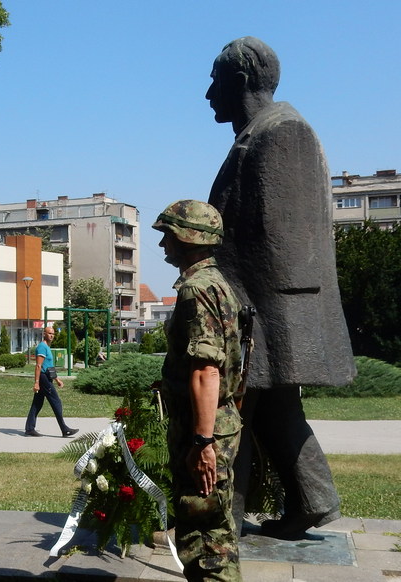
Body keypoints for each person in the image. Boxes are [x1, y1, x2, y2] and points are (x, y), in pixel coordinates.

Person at [205, 37, 355, 539]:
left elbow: (281, 238)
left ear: (241, 81)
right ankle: (313, 500)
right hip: (262, 306)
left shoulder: (281, 132)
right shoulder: (260, 134)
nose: (208, 94)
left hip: (265, 309)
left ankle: (224, 518)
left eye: (215, 80)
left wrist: (222, 286)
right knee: (272, 411)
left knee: (243, 409)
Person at [153, 200, 243, 581]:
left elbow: (208, 370)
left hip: (203, 431)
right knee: (216, 531)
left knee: (206, 543)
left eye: (168, 236)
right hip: (217, 424)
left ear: (187, 237)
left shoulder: (197, 289)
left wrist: (203, 442)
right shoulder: (220, 285)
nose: (163, 246)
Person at [24, 326, 78, 438]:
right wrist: (36, 382)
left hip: (47, 377)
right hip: (43, 378)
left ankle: (29, 429)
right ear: (44, 334)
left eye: (53, 333)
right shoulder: (42, 347)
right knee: (56, 402)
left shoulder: (47, 347)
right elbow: (38, 366)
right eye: (49, 333)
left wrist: (57, 379)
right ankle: (64, 429)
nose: (52, 335)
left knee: (37, 403)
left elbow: (50, 367)